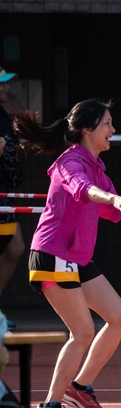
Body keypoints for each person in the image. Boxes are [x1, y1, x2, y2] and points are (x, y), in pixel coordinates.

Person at [13, 99, 121, 408]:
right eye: (107, 123)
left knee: (119, 318)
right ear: (87, 129)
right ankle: (51, 404)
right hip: (53, 255)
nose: (113, 129)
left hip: (75, 259)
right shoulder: (70, 162)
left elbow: (119, 212)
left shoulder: (96, 167)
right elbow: (84, 189)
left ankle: (79, 388)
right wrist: (113, 198)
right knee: (82, 333)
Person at [0, 66, 26, 331]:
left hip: (5, 196)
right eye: (2, 84)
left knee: (15, 247)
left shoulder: (5, 117)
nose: (7, 87)